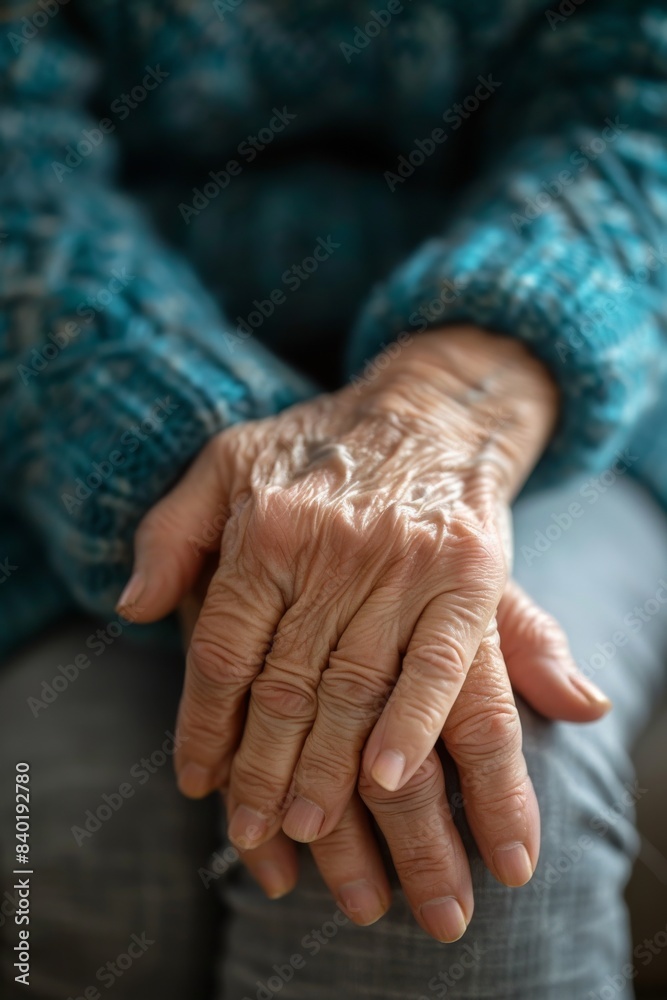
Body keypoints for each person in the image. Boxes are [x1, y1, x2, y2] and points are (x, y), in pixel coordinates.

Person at [0, 0, 666, 997]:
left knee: (460, 782)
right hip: (78, 399)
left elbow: (637, 116)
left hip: (568, 392)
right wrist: (211, 469)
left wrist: (444, 405)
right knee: (83, 823)